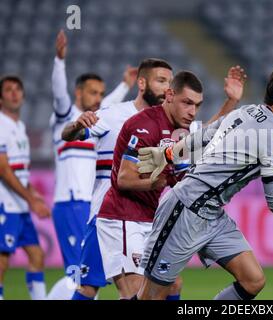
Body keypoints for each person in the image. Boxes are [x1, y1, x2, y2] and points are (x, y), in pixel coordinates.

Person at [134, 70, 273, 300]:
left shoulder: (246, 111)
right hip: (184, 211)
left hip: (212, 214)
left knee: (253, 280)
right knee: (150, 297)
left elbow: (207, 135)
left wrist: (169, 153)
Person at [96, 67, 246, 299]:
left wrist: (231, 101)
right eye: (187, 103)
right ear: (169, 96)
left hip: (151, 217)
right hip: (122, 218)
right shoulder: (144, 125)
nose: (192, 111)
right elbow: (123, 179)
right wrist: (164, 179)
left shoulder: (181, 128)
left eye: (196, 105)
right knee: (135, 291)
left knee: (172, 283)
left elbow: (210, 133)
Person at [61, 58, 173, 300]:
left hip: (143, 218)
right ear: (141, 83)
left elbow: (201, 130)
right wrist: (76, 124)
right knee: (101, 288)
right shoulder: (113, 115)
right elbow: (69, 135)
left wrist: (229, 103)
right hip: (107, 215)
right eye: (161, 80)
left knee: (167, 284)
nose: (167, 88)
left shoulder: (168, 123)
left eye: (170, 83)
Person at [47, 30, 136, 300]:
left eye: (100, 92)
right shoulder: (67, 116)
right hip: (71, 202)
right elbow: (59, 92)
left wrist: (124, 86)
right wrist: (59, 62)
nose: (98, 97)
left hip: (94, 204)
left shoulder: (97, 122)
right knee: (80, 275)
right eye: (92, 92)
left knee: (93, 275)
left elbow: (109, 106)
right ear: (78, 93)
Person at [0, 76, 51, 300]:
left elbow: (19, 168)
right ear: (1, 98)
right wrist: (31, 200)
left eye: (18, 89)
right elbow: (3, 170)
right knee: (2, 263)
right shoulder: (1, 125)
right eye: (9, 90)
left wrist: (31, 191)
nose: (14, 93)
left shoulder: (19, 126)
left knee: (37, 256)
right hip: (5, 205)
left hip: (19, 206)